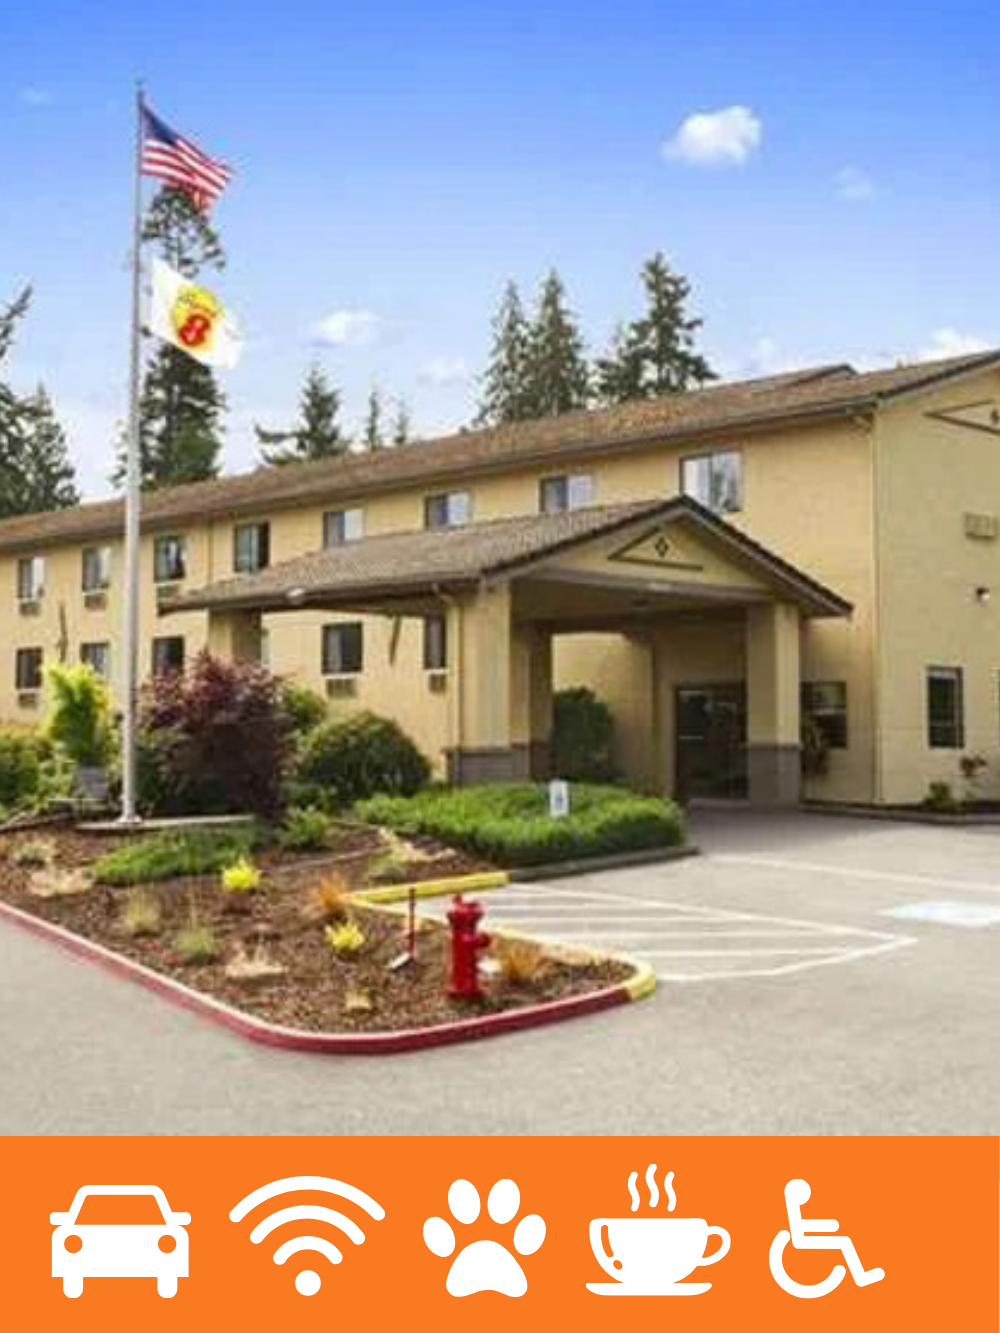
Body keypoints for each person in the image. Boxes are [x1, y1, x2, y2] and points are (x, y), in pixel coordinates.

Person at [783, 1180, 884, 1287]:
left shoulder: (793, 1205)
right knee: (844, 1241)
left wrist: (830, 1225)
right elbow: (800, 1226)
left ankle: (860, 1276)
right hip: (802, 1241)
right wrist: (830, 1225)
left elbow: (801, 1225)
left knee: (844, 1241)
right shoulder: (793, 1206)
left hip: (803, 1238)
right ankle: (860, 1277)